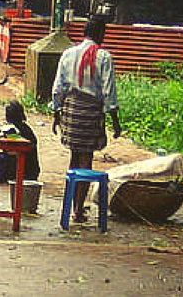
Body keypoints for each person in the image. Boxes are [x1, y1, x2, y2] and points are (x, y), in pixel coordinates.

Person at [51, 17, 121, 223]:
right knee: (85, 161)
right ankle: (78, 209)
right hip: (91, 113)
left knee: (74, 159)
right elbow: (109, 92)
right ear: (101, 34)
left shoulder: (68, 53)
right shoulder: (104, 57)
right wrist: (115, 121)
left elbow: (59, 87)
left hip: (71, 111)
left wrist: (57, 114)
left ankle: (72, 205)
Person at [4, 99, 41, 181]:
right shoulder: (26, 128)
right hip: (32, 171)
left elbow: (13, 149)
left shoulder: (13, 130)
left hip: (25, 173)